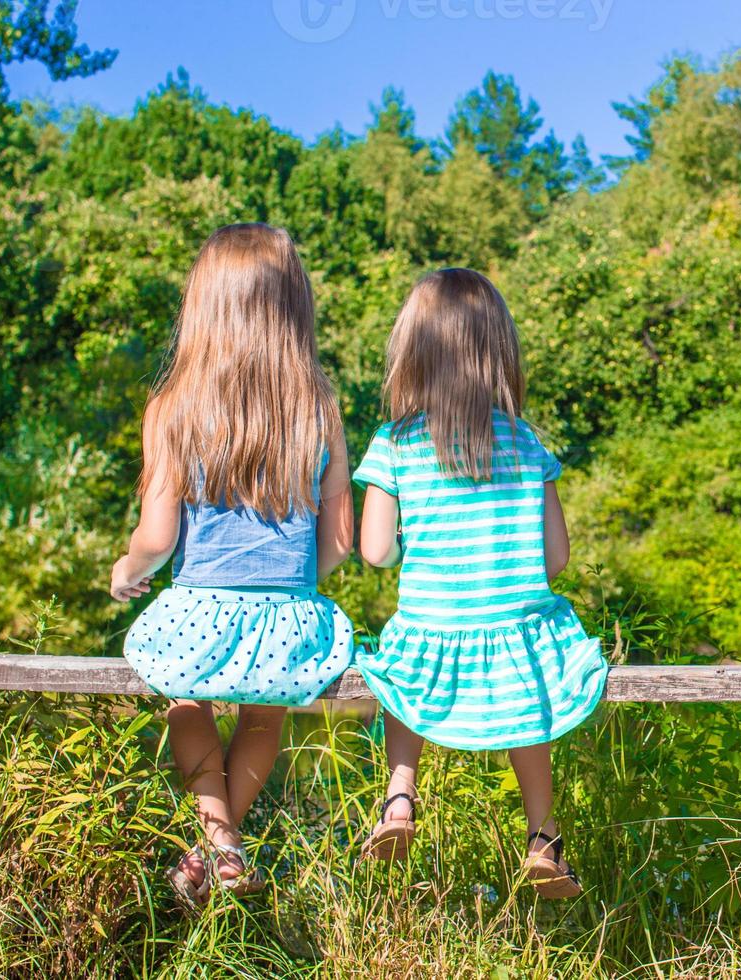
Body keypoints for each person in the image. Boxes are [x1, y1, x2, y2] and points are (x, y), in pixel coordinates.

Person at [111, 223, 355, 908]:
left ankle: (219, 848)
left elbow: (157, 538)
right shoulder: (318, 407)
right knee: (262, 719)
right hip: (289, 612)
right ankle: (220, 852)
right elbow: (338, 539)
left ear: (203, 305)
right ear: (293, 307)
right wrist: (293, 590)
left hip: (198, 606)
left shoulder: (171, 410)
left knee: (184, 701)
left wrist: (127, 569)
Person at [353, 267, 607, 899]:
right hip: (514, 635)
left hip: (434, 629)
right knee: (532, 707)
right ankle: (543, 838)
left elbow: (376, 550)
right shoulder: (525, 441)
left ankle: (399, 800)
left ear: (413, 350)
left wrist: (423, 544)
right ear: (498, 349)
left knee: (399, 670)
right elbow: (556, 559)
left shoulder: (396, 443)